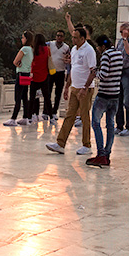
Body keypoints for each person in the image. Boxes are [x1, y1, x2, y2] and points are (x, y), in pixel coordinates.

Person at [45, 25, 96, 157]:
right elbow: (72, 69)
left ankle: (86, 145)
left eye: (76, 37)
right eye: (72, 37)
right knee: (69, 116)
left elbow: (93, 71)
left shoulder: (89, 51)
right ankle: (60, 144)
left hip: (85, 89)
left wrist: (85, 88)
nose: (73, 40)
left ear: (83, 38)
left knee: (84, 117)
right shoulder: (73, 49)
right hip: (74, 87)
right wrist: (67, 87)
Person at [86, 34, 123, 168]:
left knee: (96, 123)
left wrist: (95, 72)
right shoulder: (119, 54)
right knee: (110, 125)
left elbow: (104, 74)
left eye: (98, 47)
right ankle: (107, 155)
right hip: (115, 95)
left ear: (103, 46)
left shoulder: (106, 55)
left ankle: (101, 154)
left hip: (104, 95)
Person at [4, 30, 34, 126]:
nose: (22, 39)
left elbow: (15, 61)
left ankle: (13, 118)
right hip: (27, 74)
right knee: (25, 97)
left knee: (18, 97)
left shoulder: (24, 49)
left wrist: (18, 64)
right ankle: (25, 117)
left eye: (23, 37)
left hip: (21, 74)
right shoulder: (31, 49)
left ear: (26, 39)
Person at [48, 29, 70, 122]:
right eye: (57, 36)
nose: (59, 37)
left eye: (61, 36)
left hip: (60, 72)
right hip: (51, 71)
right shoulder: (50, 44)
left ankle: (54, 112)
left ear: (63, 37)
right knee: (47, 92)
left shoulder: (66, 47)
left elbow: (68, 60)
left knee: (58, 93)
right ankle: (47, 111)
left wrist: (68, 73)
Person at [29, 32, 52, 122]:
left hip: (34, 76)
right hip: (44, 76)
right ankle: (51, 116)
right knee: (47, 98)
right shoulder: (47, 49)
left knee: (32, 97)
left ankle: (31, 116)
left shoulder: (33, 50)